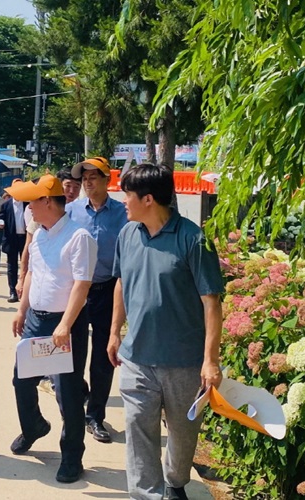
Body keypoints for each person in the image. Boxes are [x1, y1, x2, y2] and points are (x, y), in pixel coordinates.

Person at [108, 164, 223, 500]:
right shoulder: (128, 234)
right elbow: (121, 283)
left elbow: (211, 303)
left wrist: (210, 361)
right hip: (136, 358)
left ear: (148, 199)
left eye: (127, 195)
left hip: (183, 362)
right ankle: (147, 495)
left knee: (183, 435)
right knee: (138, 429)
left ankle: (175, 481)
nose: (123, 201)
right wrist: (115, 332)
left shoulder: (193, 239)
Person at [6, 174, 97, 484]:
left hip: (64, 324)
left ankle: (72, 456)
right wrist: (22, 309)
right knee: (21, 380)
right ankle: (33, 426)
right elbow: (33, 272)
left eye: (32, 201)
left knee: (68, 393)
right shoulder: (41, 234)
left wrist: (65, 325)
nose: (28, 207)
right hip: (36, 320)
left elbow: (81, 286)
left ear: (47, 201)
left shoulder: (78, 236)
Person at [68, 157, 128, 444]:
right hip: (76, 291)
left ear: (107, 180)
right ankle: (78, 397)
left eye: (94, 176)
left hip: (108, 289)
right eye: (85, 177)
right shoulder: (70, 212)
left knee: (104, 356)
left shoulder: (123, 214)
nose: (88, 181)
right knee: (71, 354)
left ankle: (95, 416)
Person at [17, 169, 81, 297]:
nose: (72, 191)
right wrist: (22, 278)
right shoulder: (41, 215)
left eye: (77, 187)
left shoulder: (82, 215)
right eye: (68, 186)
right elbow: (28, 249)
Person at [0, 180, 26, 303]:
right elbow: (1, 217)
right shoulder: (6, 205)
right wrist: (1, 222)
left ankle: (26, 291)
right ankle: (13, 292)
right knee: (12, 266)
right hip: (11, 238)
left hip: (26, 239)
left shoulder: (28, 204)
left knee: (27, 266)